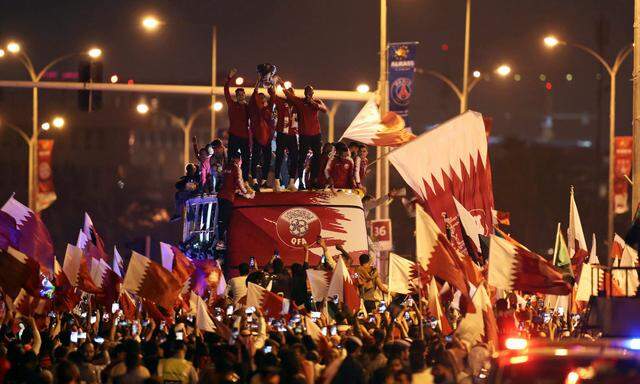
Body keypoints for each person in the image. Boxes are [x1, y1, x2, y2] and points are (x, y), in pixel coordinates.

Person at [280, 79, 327, 189]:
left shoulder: (317, 102)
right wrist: (282, 84)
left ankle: (314, 179)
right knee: (301, 158)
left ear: (313, 93)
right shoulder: (300, 102)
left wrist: (313, 102)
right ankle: (300, 181)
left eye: (310, 93)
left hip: (316, 134)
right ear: (304, 93)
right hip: (304, 135)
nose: (308, 95)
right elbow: (288, 95)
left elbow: (324, 110)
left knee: (317, 157)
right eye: (307, 93)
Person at [216, 152, 253, 251]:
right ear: (238, 159)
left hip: (221, 196)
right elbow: (239, 181)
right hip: (228, 196)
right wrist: (246, 193)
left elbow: (225, 180)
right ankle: (222, 241)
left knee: (221, 219)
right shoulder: (236, 168)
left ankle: (220, 240)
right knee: (226, 220)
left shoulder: (225, 167)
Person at [268, 85, 298, 192]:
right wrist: (273, 83)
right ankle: (276, 182)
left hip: (292, 135)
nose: (291, 96)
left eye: (292, 94)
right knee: (279, 158)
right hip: (282, 134)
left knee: (295, 157)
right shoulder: (281, 103)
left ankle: (291, 182)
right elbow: (271, 93)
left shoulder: (296, 105)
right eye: (289, 94)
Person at [224, 68, 251, 183]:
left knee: (246, 159)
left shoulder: (248, 107)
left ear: (244, 95)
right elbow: (225, 90)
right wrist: (229, 78)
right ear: (236, 95)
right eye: (238, 94)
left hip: (245, 137)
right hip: (234, 135)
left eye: (242, 94)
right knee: (231, 159)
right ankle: (229, 179)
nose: (240, 95)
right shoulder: (232, 104)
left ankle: (244, 180)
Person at [249, 76, 275, 191]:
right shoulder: (255, 109)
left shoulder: (269, 108)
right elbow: (254, 94)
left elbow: (273, 97)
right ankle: (254, 180)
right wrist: (258, 82)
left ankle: (264, 180)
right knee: (255, 158)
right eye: (260, 98)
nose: (262, 99)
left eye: (263, 98)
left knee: (267, 159)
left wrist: (272, 84)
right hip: (257, 137)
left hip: (268, 138)